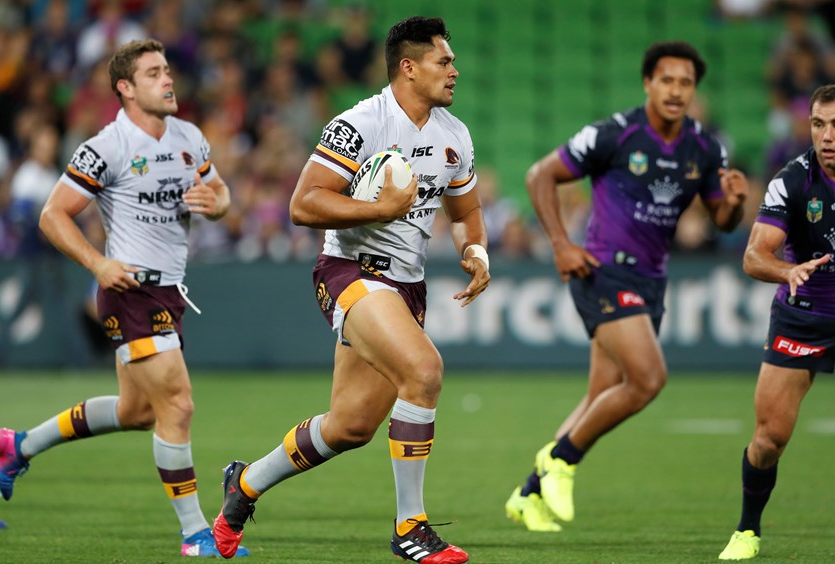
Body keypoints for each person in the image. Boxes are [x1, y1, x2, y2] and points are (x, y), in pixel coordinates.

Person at [212, 16, 489, 563]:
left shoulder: (453, 135)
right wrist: (379, 209)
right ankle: (410, 527)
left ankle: (243, 485)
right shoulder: (360, 123)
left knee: (351, 426)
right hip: (351, 272)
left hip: (407, 287)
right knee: (424, 371)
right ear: (408, 68)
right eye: (444, 61)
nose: (455, 70)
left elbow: (467, 211)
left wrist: (474, 249)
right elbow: (303, 203)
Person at [0, 39, 248, 558]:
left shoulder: (190, 137)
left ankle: (16, 447)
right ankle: (196, 534)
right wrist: (98, 264)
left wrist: (216, 203)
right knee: (178, 403)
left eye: (168, 70)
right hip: (130, 289)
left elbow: (221, 195)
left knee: (138, 412)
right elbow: (52, 215)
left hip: (169, 290)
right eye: (154, 73)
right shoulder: (106, 147)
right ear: (126, 89)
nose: (169, 79)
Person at [504, 41, 750, 532]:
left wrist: (736, 203)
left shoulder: (705, 147)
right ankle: (563, 460)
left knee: (603, 393)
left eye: (685, 83)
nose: (676, 91)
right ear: (648, 83)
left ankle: (528, 494)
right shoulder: (615, 134)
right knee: (648, 380)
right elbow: (539, 176)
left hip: (652, 281)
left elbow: (722, 221)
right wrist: (559, 245)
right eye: (667, 80)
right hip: (602, 271)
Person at [717, 85, 835, 561]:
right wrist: (788, 270)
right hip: (803, 315)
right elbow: (753, 256)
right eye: (819, 124)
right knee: (768, 439)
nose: (827, 136)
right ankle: (747, 530)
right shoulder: (793, 180)